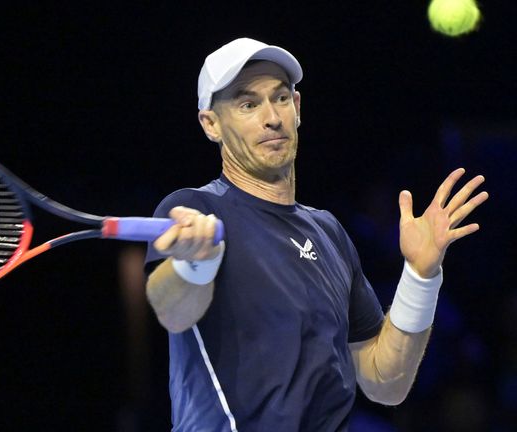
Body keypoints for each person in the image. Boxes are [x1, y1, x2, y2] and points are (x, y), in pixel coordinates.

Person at [144, 37, 488, 432]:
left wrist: (420, 277)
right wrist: (194, 264)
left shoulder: (328, 233)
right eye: (248, 104)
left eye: (281, 98)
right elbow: (171, 310)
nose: (272, 117)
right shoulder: (195, 210)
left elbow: (384, 382)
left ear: (298, 107)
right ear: (211, 124)